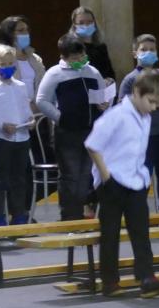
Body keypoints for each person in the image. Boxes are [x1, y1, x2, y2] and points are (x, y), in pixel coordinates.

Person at [85, 68, 159, 298]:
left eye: (157, 104)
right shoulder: (116, 115)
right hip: (112, 182)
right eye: (150, 101)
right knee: (110, 232)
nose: (153, 108)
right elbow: (92, 145)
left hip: (135, 181)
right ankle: (110, 282)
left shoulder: (146, 117)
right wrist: (106, 177)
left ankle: (146, 277)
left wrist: (142, 178)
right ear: (136, 92)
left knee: (141, 231)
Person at [37, 36, 109, 222]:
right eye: (75, 58)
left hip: (91, 130)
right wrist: (60, 118)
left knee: (86, 175)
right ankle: (69, 217)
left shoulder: (92, 72)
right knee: (70, 175)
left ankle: (82, 214)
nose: (80, 60)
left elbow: (103, 96)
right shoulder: (55, 73)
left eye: (82, 55)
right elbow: (42, 100)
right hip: (68, 133)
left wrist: (104, 104)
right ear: (64, 57)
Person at [120, 35, 159, 213]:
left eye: (152, 50)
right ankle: (137, 213)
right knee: (142, 176)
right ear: (135, 53)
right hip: (142, 136)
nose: (148, 53)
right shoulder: (131, 79)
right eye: (144, 49)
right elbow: (123, 106)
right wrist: (156, 103)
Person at [0, 44, 34, 227]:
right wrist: (1, 125)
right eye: (3, 64)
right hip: (0, 139)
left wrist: (30, 119)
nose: (8, 67)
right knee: (0, 180)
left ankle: (18, 215)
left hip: (21, 137)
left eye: (11, 63)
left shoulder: (20, 86)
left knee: (19, 179)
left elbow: (25, 108)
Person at [0, 16, 47, 106]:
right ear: (9, 34)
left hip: (37, 109)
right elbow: (0, 86)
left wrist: (37, 105)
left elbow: (43, 85)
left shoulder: (35, 58)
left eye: (27, 30)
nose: (26, 33)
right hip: (13, 108)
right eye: (21, 30)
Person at [67, 6, 117, 86]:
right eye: (81, 23)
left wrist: (110, 79)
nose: (86, 25)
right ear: (75, 25)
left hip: (104, 89)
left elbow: (110, 72)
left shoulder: (101, 46)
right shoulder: (72, 47)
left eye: (90, 22)